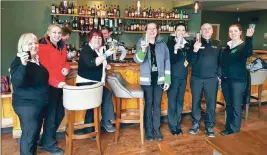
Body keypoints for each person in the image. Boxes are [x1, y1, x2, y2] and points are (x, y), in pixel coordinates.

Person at [10, 33, 49, 155]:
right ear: (22, 46)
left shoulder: (35, 60)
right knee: (29, 136)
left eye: (36, 42)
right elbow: (17, 81)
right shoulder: (18, 61)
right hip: (27, 105)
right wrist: (23, 64)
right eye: (30, 43)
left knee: (34, 136)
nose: (34, 45)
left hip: (38, 104)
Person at [76, 29, 116, 139]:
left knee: (101, 98)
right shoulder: (86, 49)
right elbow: (92, 63)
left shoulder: (96, 50)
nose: (98, 39)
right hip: (86, 83)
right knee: (103, 97)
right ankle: (104, 122)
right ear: (90, 38)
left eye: (99, 38)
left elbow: (99, 62)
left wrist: (105, 65)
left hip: (95, 83)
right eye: (95, 37)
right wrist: (107, 54)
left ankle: (92, 127)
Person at [134, 22, 171, 141]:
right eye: (149, 29)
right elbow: (138, 60)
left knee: (157, 105)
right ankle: (149, 131)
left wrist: (167, 80)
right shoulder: (141, 42)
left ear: (157, 30)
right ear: (145, 31)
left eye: (154, 28)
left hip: (159, 79)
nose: (152, 30)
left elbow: (167, 62)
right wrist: (143, 50)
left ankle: (157, 130)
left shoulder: (162, 44)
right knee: (148, 105)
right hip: (147, 81)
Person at [38, 24, 70, 155]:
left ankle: (44, 140)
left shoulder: (62, 45)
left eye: (59, 32)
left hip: (60, 84)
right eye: (54, 32)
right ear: (48, 33)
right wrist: (57, 83)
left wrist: (66, 68)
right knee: (51, 116)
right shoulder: (42, 46)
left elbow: (65, 62)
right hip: (50, 86)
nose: (57, 35)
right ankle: (49, 144)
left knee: (60, 113)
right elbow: (45, 70)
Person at [189, 23, 222, 137]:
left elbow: (220, 62)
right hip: (196, 78)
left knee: (211, 103)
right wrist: (194, 50)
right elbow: (191, 62)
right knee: (195, 102)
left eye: (209, 29)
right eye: (204, 29)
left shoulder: (217, 44)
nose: (206, 31)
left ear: (212, 31)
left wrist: (219, 75)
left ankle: (209, 126)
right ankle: (195, 124)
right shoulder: (195, 43)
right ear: (201, 31)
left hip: (212, 79)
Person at [221, 24, 254, 136]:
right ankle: (228, 127)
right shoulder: (227, 46)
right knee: (229, 105)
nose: (233, 33)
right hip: (226, 80)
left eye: (235, 31)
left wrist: (249, 38)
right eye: (231, 31)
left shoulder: (243, 46)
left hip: (238, 81)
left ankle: (234, 130)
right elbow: (223, 62)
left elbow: (248, 52)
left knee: (236, 106)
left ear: (240, 32)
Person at [166, 23, 191, 136]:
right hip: (172, 77)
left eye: (182, 30)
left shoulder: (188, 44)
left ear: (185, 32)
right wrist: (175, 49)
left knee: (179, 101)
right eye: (178, 30)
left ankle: (177, 124)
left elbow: (189, 59)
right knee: (172, 101)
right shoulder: (170, 43)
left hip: (183, 77)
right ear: (175, 32)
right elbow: (170, 60)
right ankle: (172, 125)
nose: (180, 32)